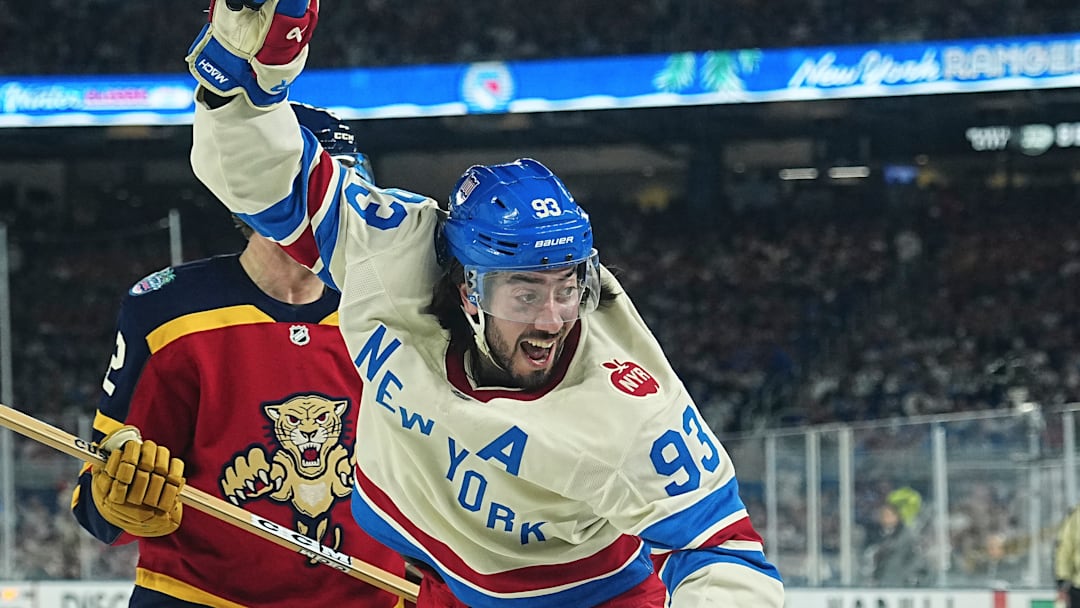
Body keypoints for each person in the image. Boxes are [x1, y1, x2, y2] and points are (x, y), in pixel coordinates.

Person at [184, 1, 784, 606]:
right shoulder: (394, 254)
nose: (551, 319)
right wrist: (240, 81)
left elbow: (725, 555)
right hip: (430, 573)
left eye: (566, 287)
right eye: (524, 292)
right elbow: (268, 183)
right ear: (466, 286)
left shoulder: (632, 410)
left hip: (581, 596)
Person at [70, 103, 408, 608]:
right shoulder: (169, 313)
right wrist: (115, 500)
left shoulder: (403, 313)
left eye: (341, 193)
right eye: (309, 191)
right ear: (250, 193)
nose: (327, 211)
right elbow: (101, 501)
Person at [863, 500, 924, 587]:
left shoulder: (906, 536)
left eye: (889, 515)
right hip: (880, 581)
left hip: (900, 581)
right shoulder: (874, 534)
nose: (885, 518)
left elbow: (914, 558)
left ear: (897, 516)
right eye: (883, 515)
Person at [1056, 504, 1080, 607]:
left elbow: (1065, 549)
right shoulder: (1075, 516)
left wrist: (1063, 579)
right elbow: (1065, 549)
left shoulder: (1075, 516)